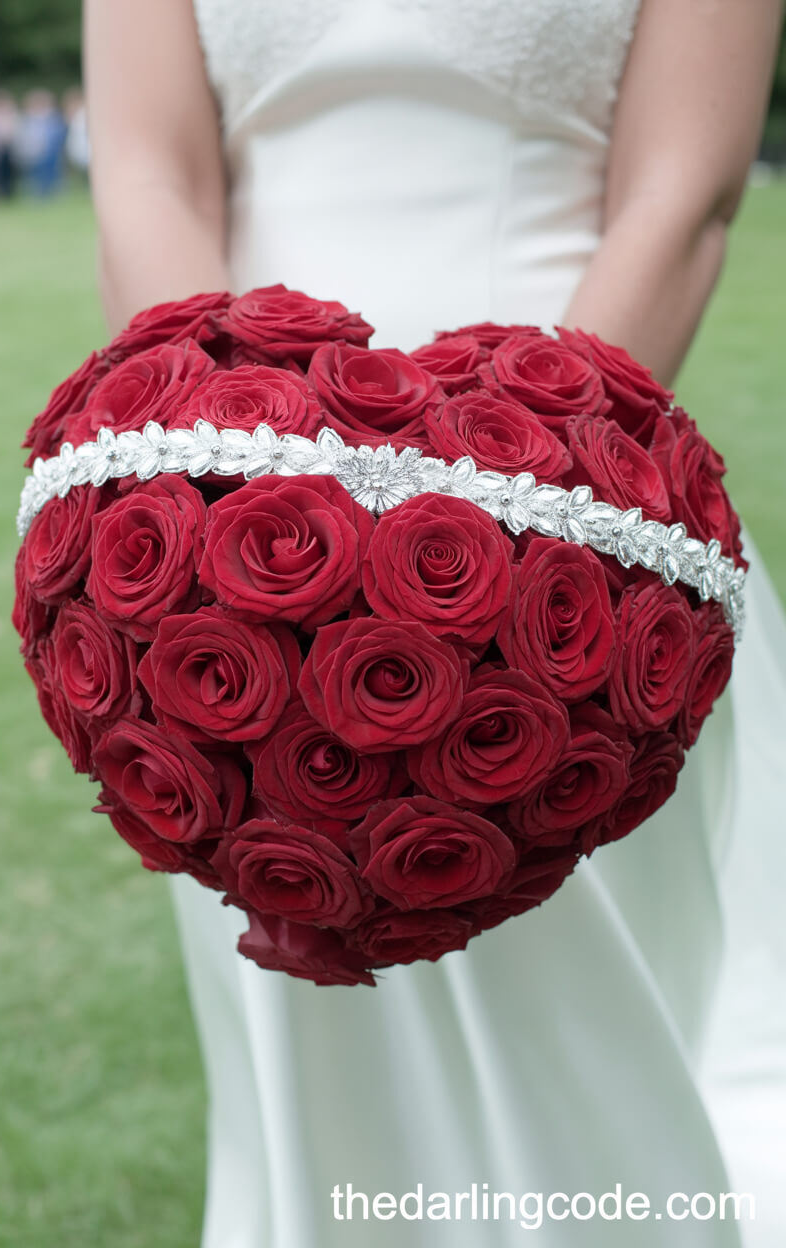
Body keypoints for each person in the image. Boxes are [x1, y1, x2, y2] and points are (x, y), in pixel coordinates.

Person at [83, 2, 786, 1245]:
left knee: (593, 1055)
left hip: (577, 548)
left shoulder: (568, 539)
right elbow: (152, 166)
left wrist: (536, 524)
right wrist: (205, 492)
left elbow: (679, 195)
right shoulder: (220, 550)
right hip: (239, 556)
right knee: (319, 1084)